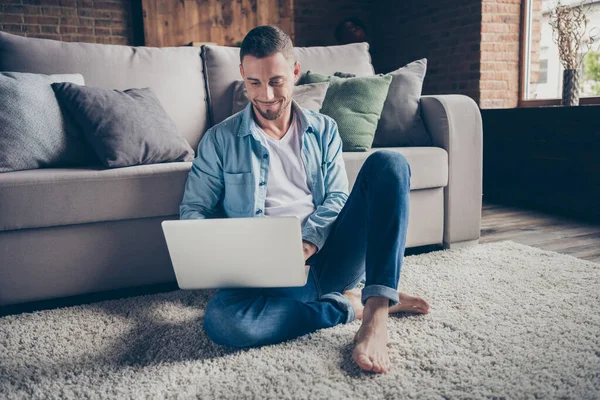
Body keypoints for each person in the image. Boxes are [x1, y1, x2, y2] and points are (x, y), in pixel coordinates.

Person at [179, 25, 429, 374]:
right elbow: (194, 209)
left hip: (332, 255)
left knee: (390, 164)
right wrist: (218, 250)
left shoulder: (324, 128)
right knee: (223, 322)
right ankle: (346, 307)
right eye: (254, 83)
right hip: (269, 276)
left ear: (295, 72)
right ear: (242, 75)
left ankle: (376, 313)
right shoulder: (219, 140)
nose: (265, 95)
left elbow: (338, 196)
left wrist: (308, 243)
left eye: (276, 81)